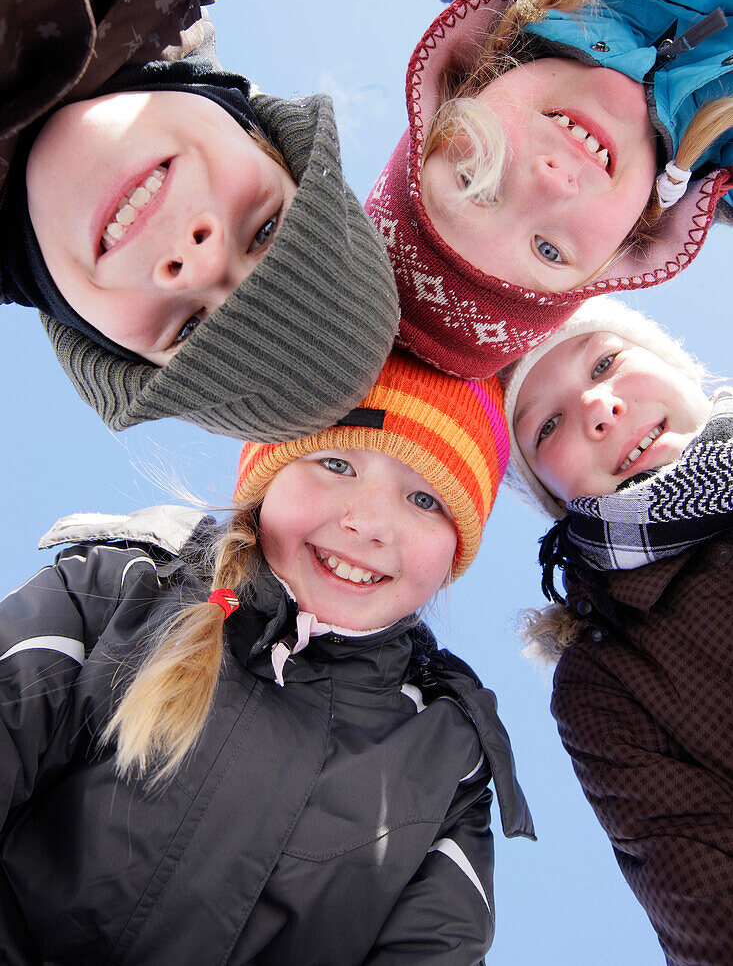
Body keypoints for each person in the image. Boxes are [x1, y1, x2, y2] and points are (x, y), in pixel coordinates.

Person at [0, 350, 534, 963]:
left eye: (425, 500)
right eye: (337, 463)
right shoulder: (120, 590)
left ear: (453, 557)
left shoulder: (445, 760)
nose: (370, 523)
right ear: (266, 474)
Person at [0, 0, 398, 440]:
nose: (204, 263)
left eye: (188, 330)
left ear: (96, 345)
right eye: (265, 231)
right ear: (267, 137)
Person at [365, 0, 733, 379]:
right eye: (549, 251)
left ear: (459, 96)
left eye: (474, 182)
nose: (550, 184)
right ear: (626, 247)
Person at [501, 296, 733, 965]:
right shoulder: (607, 680)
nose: (597, 408)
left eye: (604, 361)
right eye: (546, 427)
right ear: (547, 492)